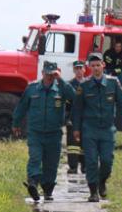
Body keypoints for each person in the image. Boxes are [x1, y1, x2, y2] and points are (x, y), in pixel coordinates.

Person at [12, 61, 77, 202]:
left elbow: (74, 97)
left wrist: (61, 80)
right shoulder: (32, 88)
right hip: (36, 132)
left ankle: (48, 190)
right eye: (47, 74)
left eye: (52, 74)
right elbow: (21, 106)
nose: (49, 77)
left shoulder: (62, 88)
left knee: (51, 163)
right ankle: (33, 184)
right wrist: (16, 123)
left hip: (54, 133)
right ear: (42, 73)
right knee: (35, 158)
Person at [73, 54, 122, 202]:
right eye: (92, 66)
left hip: (107, 129)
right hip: (89, 129)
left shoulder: (113, 83)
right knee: (91, 161)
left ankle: (102, 182)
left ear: (103, 65)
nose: (95, 68)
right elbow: (77, 109)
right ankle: (93, 192)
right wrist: (76, 129)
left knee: (107, 161)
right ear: (89, 67)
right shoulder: (84, 86)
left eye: (98, 65)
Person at [66, 60, 88, 174]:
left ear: (84, 69)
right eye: (77, 68)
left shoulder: (89, 83)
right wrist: (67, 118)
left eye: (81, 68)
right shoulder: (69, 84)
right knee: (72, 145)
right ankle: (73, 167)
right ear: (74, 70)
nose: (79, 70)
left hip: (86, 118)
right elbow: (65, 104)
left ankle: (84, 166)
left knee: (85, 143)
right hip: (73, 118)